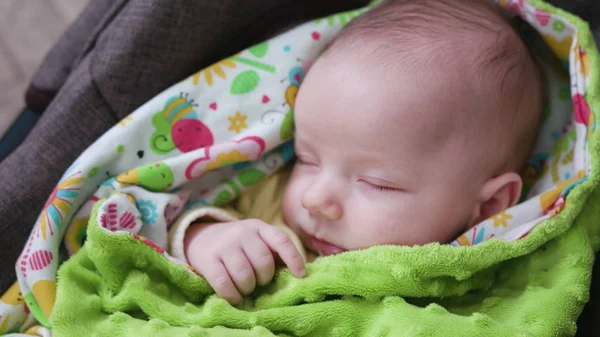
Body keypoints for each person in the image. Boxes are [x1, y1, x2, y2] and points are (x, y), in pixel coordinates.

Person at [177, 0, 543, 305]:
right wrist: (205, 238)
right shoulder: (268, 209)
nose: (315, 199)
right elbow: (178, 216)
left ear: (491, 205)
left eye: (376, 183)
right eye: (306, 158)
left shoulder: (490, 290)